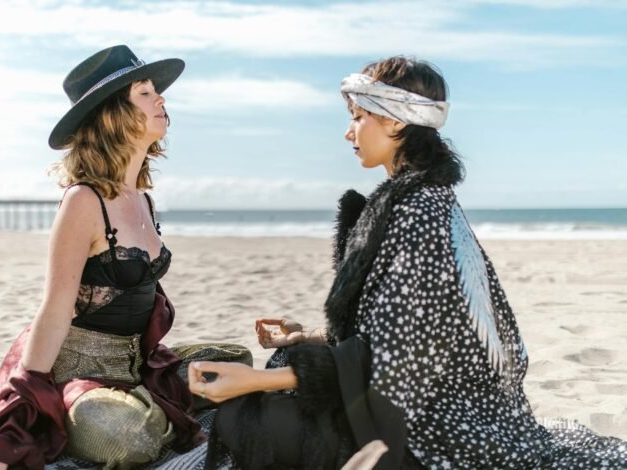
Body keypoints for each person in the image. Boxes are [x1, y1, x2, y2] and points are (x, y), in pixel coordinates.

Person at [189, 57, 627, 469]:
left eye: (358, 117)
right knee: (288, 358)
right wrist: (311, 336)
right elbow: (406, 327)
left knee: (242, 419)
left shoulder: (418, 212)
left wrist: (252, 381)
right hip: (442, 402)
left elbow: (394, 361)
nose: (349, 132)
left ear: (395, 120)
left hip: (434, 432)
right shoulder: (425, 198)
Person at [0, 45, 250, 470]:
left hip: (140, 366)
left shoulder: (144, 201)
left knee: (234, 360)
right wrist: (15, 414)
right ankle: (147, 412)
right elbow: (54, 310)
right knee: (122, 436)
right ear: (113, 114)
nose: (161, 99)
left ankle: (153, 403)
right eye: (145, 93)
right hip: (80, 375)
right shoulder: (83, 200)